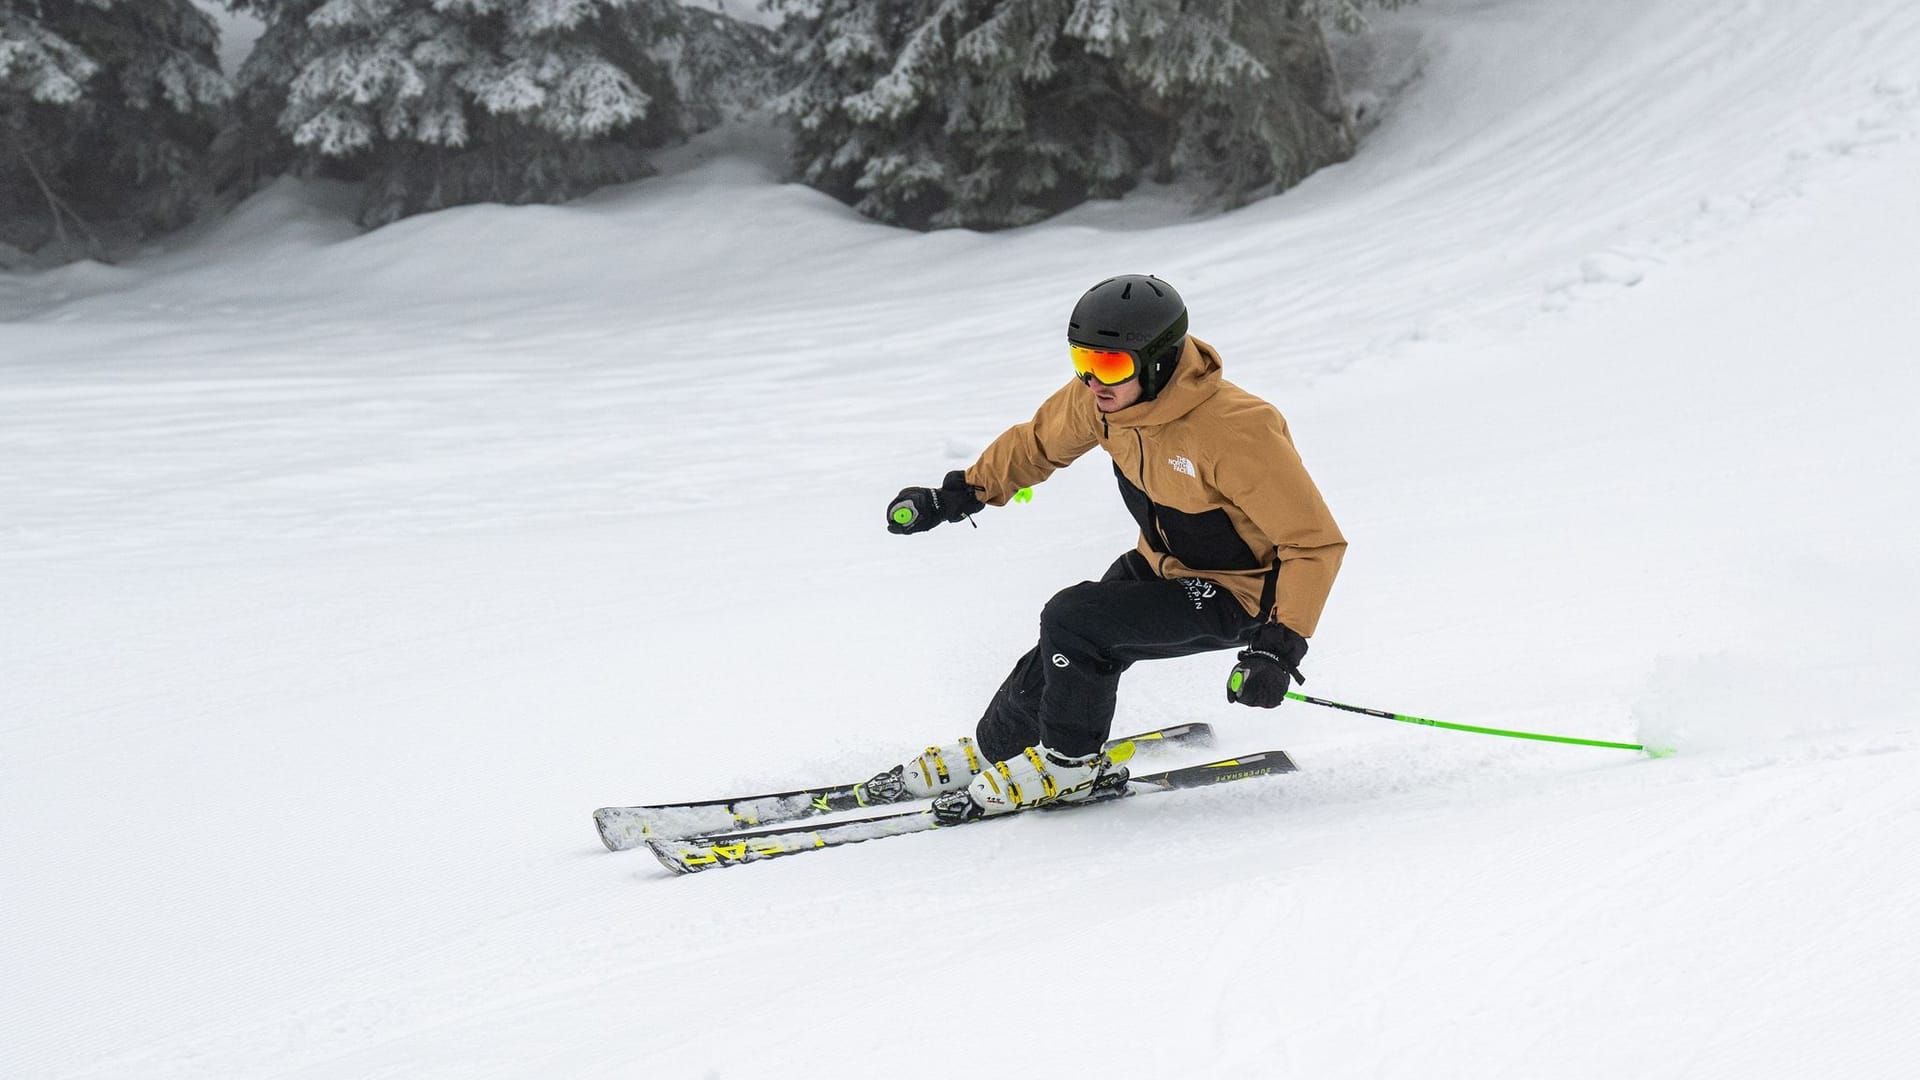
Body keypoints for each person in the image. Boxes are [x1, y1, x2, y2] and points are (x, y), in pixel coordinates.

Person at [868, 274, 1346, 823]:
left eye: (1112, 364)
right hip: (1162, 567)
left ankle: (1069, 764)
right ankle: (1000, 746)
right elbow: (1036, 444)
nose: (1093, 379)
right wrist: (958, 495)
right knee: (1063, 644)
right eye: (1082, 359)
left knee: (1077, 621)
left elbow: (1313, 542)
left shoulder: (1238, 430)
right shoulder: (1103, 401)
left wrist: (1278, 647)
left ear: (1159, 360)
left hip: (1242, 593)